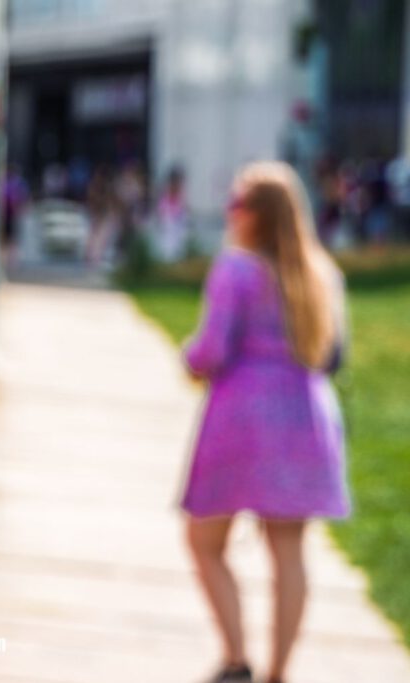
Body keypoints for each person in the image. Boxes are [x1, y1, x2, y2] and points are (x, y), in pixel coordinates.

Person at [180, 161, 349, 683]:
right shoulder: (321, 273)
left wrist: (189, 360)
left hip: (242, 420)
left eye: (235, 202)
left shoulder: (237, 270)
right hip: (305, 419)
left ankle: (236, 659)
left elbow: (211, 350)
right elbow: (330, 357)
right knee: (289, 552)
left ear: (256, 214)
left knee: (205, 542)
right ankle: (280, 672)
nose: (230, 212)